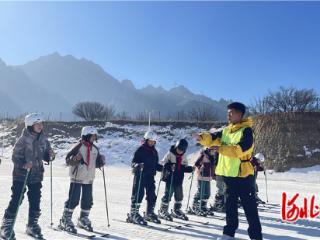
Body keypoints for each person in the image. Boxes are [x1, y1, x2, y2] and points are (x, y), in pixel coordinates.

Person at [197, 102, 263, 240]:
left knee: (250, 208)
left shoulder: (247, 131)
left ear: (240, 114)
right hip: (229, 176)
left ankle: (256, 236)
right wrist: (202, 137)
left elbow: (240, 150)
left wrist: (220, 148)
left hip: (244, 176)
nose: (228, 114)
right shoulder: (226, 130)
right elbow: (213, 138)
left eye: (231, 112)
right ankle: (228, 234)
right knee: (230, 207)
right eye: (228, 112)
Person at [0, 113, 54, 240]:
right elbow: (15, 157)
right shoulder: (23, 140)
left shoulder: (44, 139)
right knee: (17, 199)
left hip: (36, 175)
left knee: (35, 200)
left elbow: (46, 155)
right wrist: (24, 164)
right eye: (37, 124)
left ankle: (32, 225)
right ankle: (6, 226)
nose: (41, 126)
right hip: (21, 175)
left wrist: (50, 155)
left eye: (41, 124)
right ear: (30, 125)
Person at [58, 126, 105, 233]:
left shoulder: (95, 149)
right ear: (86, 136)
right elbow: (68, 160)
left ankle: (83, 219)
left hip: (89, 178)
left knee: (88, 200)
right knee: (74, 199)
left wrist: (101, 161)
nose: (94, 138)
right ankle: (66, 219)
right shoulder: (78, 147)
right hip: (77, 177)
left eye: (95, 136)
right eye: (92, 136)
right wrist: (75, 159)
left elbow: (96, 163)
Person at [126, 130, 163, 225]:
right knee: (138, 194)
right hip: (140, 176)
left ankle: (149, 213)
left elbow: (154, 164)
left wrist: (162, 168)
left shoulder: (154, 152)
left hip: (150, 176)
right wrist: (138, 165)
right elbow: (133, 163)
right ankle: (133, 214)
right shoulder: (140, 150)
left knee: (152, 195)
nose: (151, 143)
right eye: (150, 141)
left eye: (153, 141)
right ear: (146, 140)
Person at [158, 139, 193, 221]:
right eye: (179, 149)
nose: (180, 151)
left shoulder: (184, 156)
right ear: (176, 147)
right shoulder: (170, 154)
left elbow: (184, 167)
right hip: (170, 178)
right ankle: (163, 210)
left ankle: (176, 210)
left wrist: (190, 169)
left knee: (179, 195)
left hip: (179, 179)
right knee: (168, 194)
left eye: (182, 150)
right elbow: (163, 163)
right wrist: (170, 165)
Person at [190, 147, 216, 216]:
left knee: (207, 193)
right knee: (201, 191)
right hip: (201, 177)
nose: (214, 152)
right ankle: (195, 206)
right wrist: (200, 168)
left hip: (208, 177)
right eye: (213, 150)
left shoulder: (212, 157)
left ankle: (203, 206)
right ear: (209, 150)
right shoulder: (203, 155)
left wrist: (214, 174)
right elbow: (196, 164)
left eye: (215, 150)